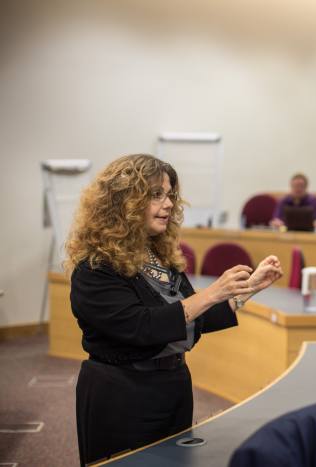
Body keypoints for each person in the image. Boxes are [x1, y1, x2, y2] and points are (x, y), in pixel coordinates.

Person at [65, 154, 283, 466]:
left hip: (173, 385)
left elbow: (191, 316)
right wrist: (210, 293)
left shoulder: (159, 256)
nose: (168, 204)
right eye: (155, 195)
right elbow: (141, 326)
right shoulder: (95, 268)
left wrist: (248, 289)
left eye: (169, 195)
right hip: (122, 395)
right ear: (123, 201)